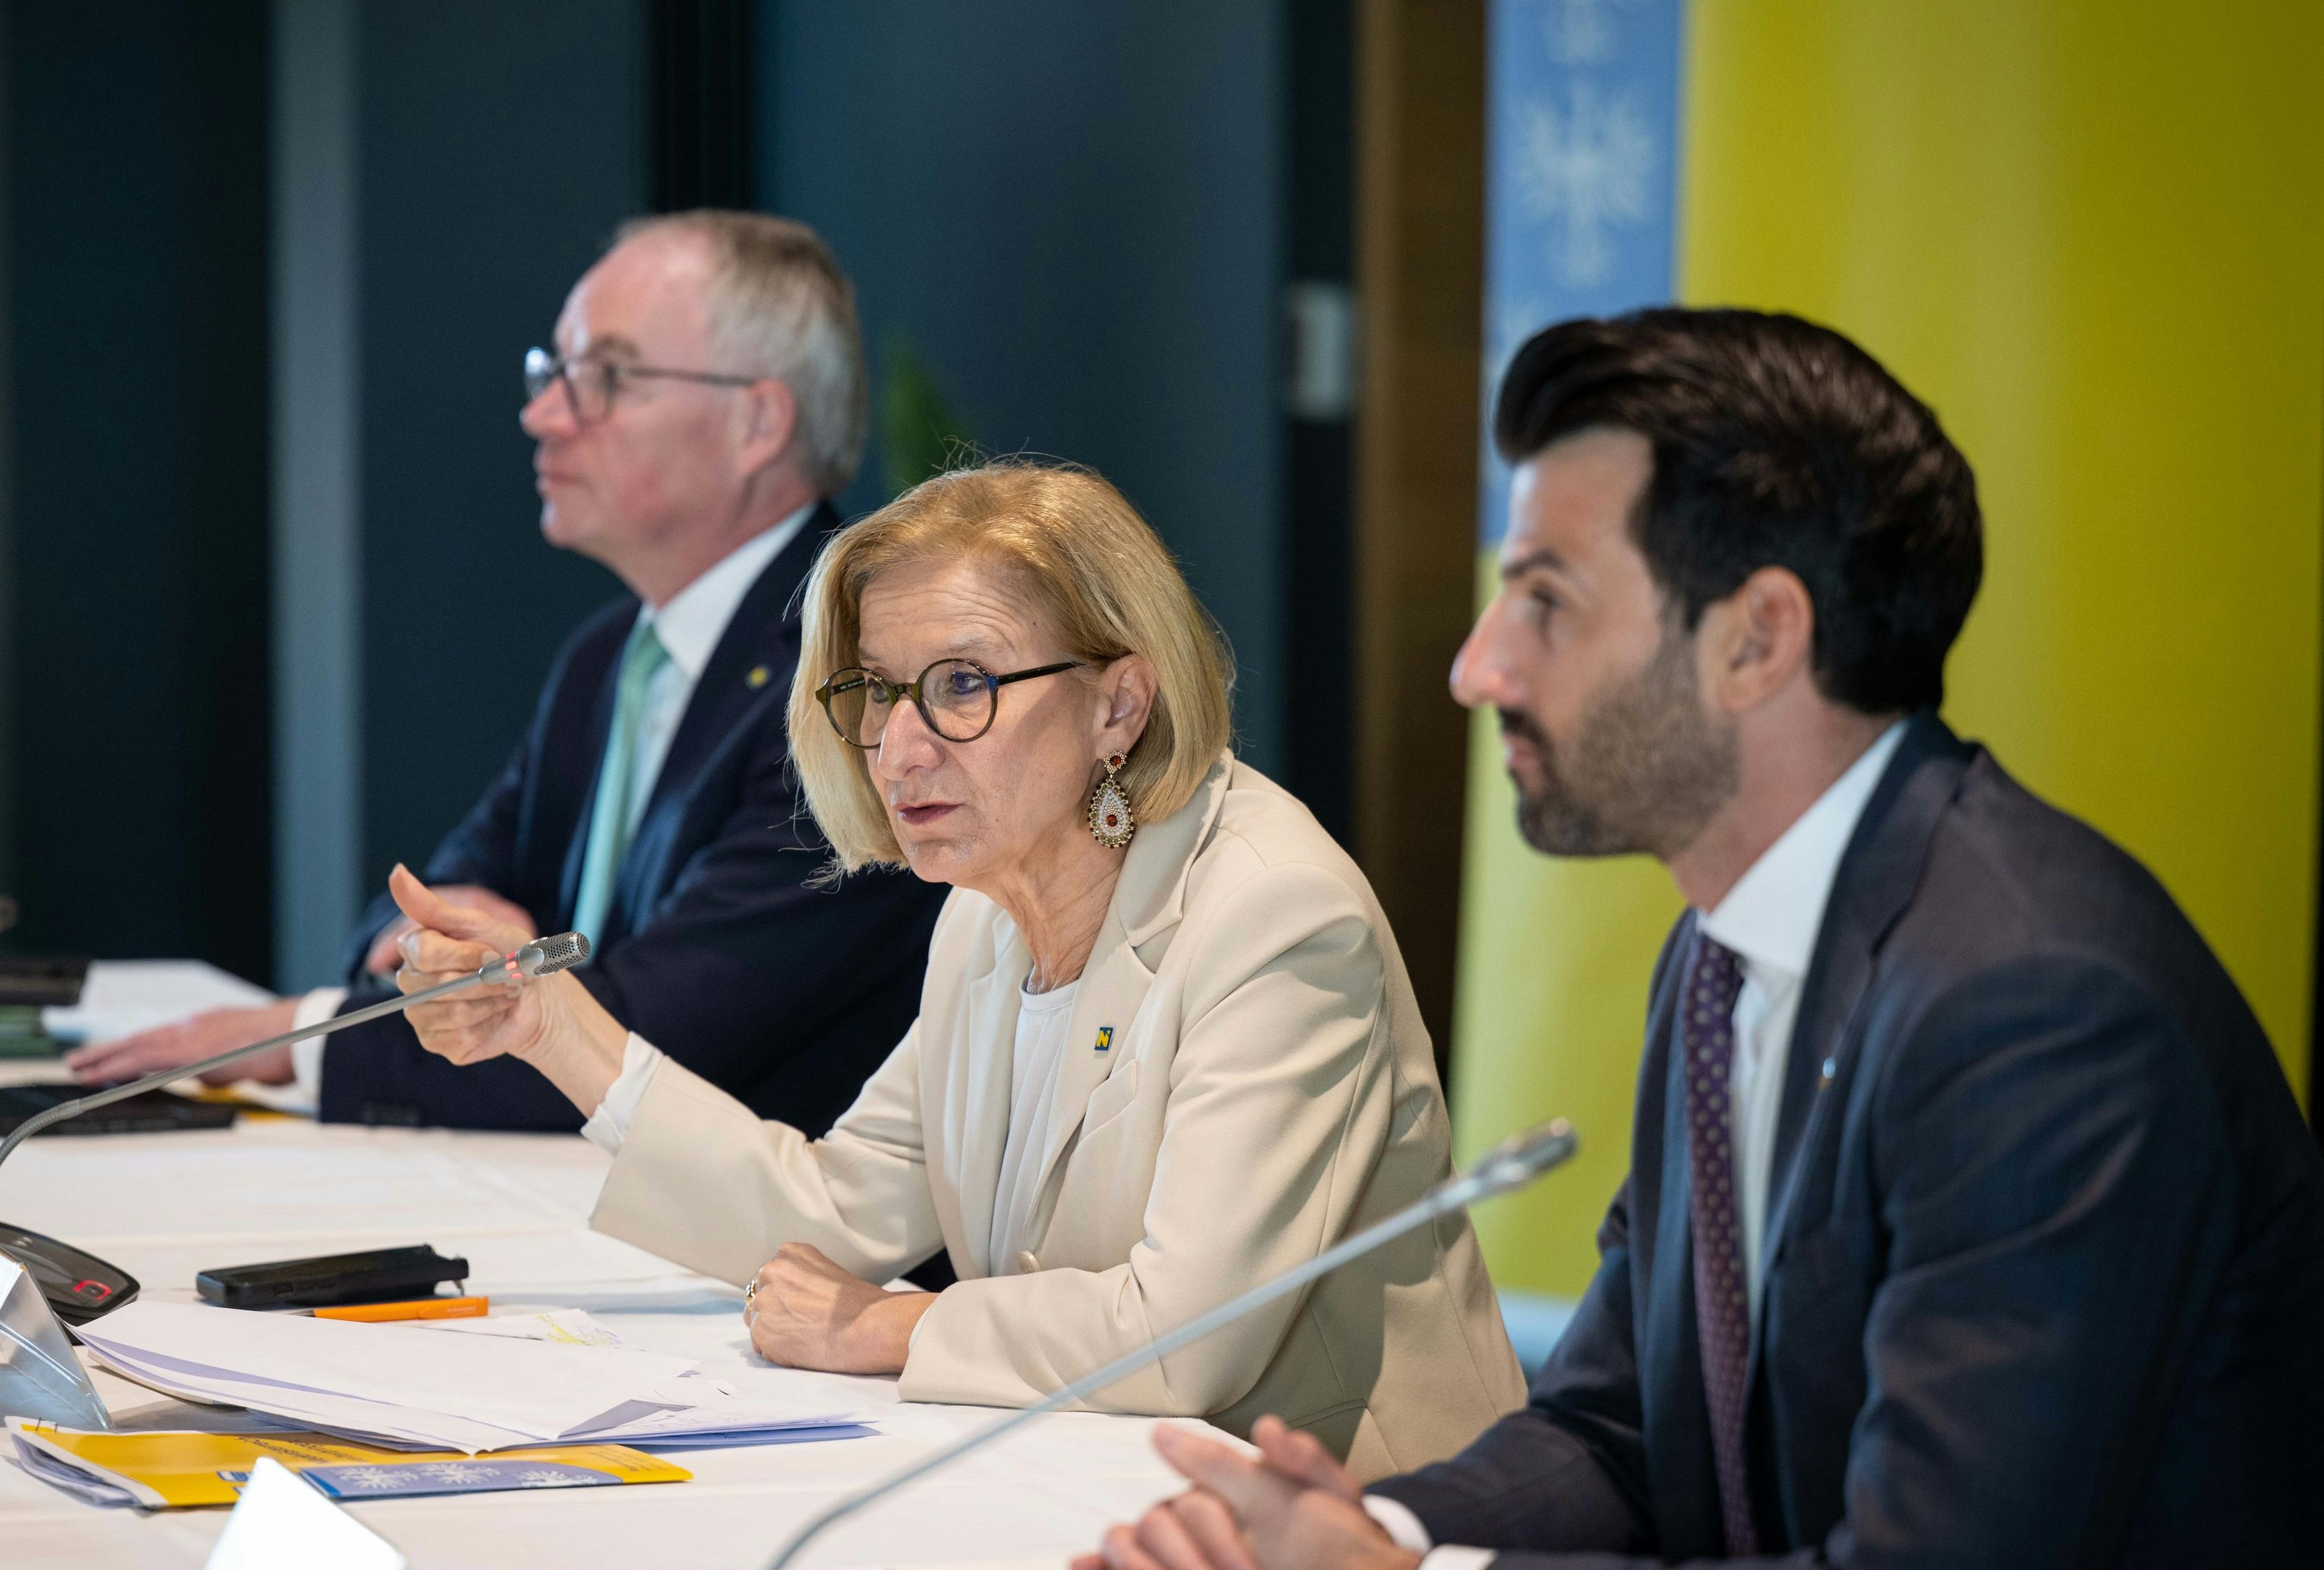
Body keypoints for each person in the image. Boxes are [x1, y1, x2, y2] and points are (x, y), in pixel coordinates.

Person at [1079, 308, 2324, 1570]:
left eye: (1544, 600)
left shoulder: (2033, 1006)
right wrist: (1373, 1528)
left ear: (1758, 638)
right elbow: (1623, 1425)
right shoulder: (1723, 955)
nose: (1475, 666)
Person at [376, 462, 1526, 1471]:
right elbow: (834, 1211)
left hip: (1347, 1511)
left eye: (964, 685)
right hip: (1091, 1472)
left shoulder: (1272, 914)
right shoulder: (983, 911)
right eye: (877, 690)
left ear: (1119, 703)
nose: (899, 745)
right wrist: (552, 1028)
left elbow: (1190, 1332)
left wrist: (892, 1326)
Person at [70, 212, 946, 1135]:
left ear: (758, 421)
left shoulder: (859, 682)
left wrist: (300, 1032)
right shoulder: (608, 655)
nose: (542, 414)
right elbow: (422, 902)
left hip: (765, 1262)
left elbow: (640, 1046)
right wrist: (433, 942)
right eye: (551, 373)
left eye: (604, 377)